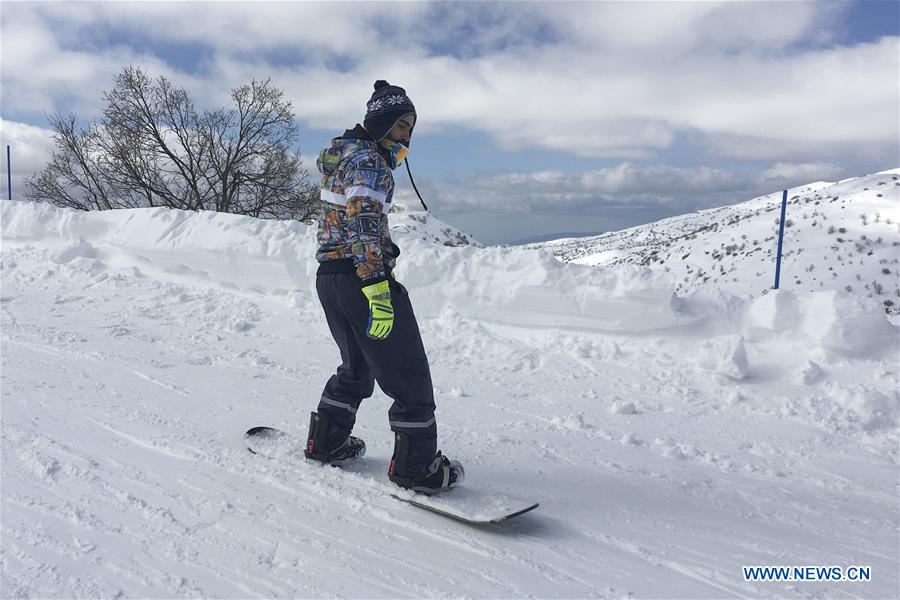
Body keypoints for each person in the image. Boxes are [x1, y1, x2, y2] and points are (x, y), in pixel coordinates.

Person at [305, 80, 464, 495]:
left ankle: (327, 440)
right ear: (380, 125)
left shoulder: (344, 158)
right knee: (408, 374)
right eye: (399, 127)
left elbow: (347, 220)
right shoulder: (370, 163)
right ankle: (417, 468)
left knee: (357, 368)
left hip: (331, 278)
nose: (406, 137)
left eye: (410, 129)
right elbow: (363, 220)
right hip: (362, 279)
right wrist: (376, 285)